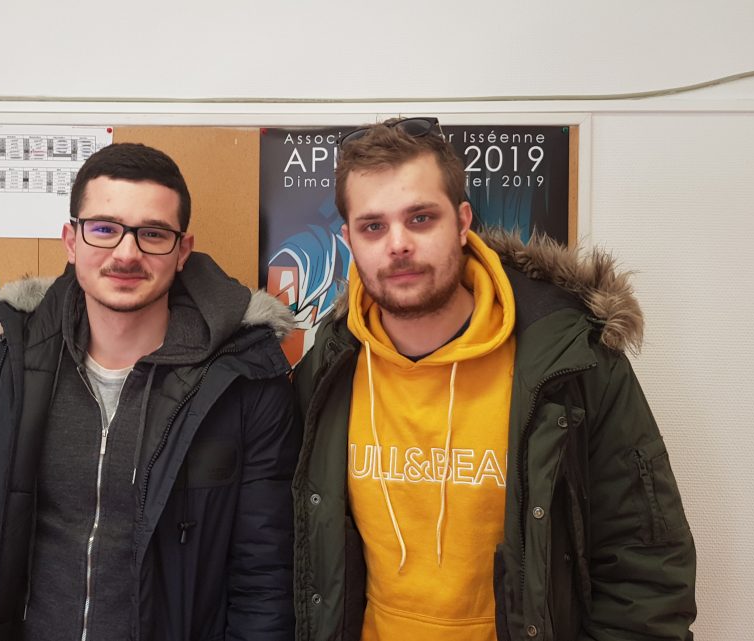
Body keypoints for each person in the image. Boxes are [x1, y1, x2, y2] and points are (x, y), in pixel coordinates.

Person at [291, 117, 696, 641]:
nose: (398, 244)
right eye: (373, 227)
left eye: (420, 218)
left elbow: (644, 563)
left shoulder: (569, 361)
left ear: (462, 223)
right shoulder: (328, 369)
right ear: (348, 239)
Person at [0, 142, 301, 641]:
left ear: (182, 250)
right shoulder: (2, 372)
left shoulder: (244, 386)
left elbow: (263, 580)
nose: (126, 254)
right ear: (71, 241)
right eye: (104, 229)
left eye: (153, 234)